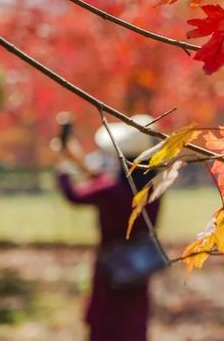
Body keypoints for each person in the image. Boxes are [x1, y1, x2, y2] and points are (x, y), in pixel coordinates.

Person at [56, 115, 162, 341]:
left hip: (109, 269)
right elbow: (103, 182)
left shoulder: (109, 191)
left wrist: (64, 168)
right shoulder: (155, 190)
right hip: (138, 267)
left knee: (107, 324)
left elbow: (75, 195)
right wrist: (79, 162)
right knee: (132, 323)